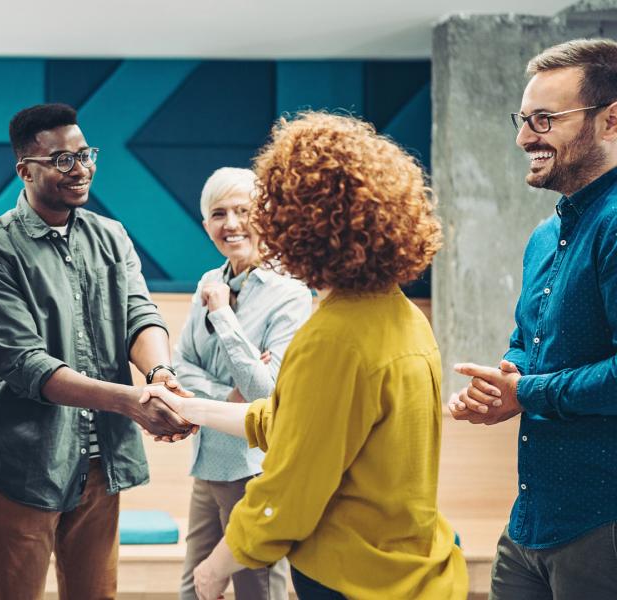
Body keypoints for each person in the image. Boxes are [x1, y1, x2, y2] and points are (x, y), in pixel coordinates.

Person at [146, 112, 469, 600]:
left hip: (354, 577)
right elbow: (292, 419)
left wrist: (217, 566)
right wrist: (192, 407)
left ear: (303, 223)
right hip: (416, 569)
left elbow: (292, 487)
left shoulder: (334, 337)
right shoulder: (401, 315)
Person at [0, 102, 193, 600]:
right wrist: (131, 401)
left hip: (100, 461)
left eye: (85, 155)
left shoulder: (110, 237)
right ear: (25, 170)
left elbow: (140, 314)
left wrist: (159, 376)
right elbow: (28, 366)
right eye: (63, 160)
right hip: (26, 463)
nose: (81, 168)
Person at [449, 38, 617, 599]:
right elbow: (529, 343)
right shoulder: (544, 237)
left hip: (602, 525)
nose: (524, 138)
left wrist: (527, 393)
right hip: (529, 523)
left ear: (610, 119)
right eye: (523, 120)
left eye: (545, 120)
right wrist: (501, 384)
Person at [174, 167, 310, 600]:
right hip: (209, 459)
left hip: (256, 467)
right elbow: (181, 367)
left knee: (257, 589)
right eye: (218, 214)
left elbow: (265, 393)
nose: (230, 224)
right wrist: (227, 394)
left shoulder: (291, 292)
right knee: (193, 588)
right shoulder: (209, 283)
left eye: (242, 211)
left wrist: (222, 315)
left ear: (265, 216)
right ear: (205, 225)